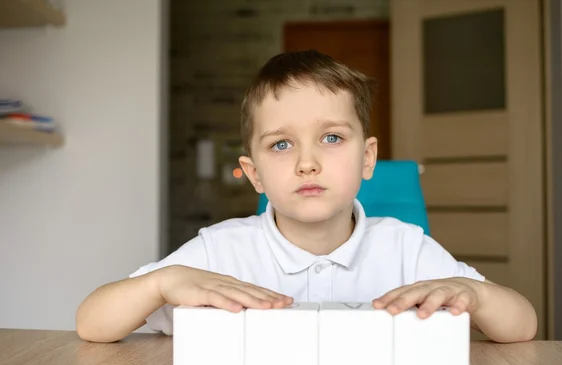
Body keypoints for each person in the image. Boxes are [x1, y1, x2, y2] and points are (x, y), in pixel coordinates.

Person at [76, 50, 537, 344]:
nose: (307, 162)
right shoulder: (218, 252)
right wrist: (162, 281)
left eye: (332, 138)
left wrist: (473, 294)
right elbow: (91, 324)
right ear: (254, 175)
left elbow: (524, 327)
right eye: (281, 144)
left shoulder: (407, 248)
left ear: (367, 158)